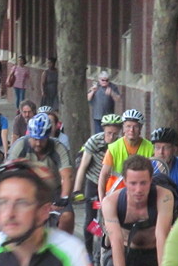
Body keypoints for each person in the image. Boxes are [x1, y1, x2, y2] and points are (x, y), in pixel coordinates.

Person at [8, 113, 75, 233]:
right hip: (27, 189)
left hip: (54, 190)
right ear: (29, 135)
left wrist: (64, 197)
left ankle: (63, 246)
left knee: (67, 217)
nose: (38, 144)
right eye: (35, 139)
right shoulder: (20, 146)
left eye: (42, 140)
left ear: (48, 136)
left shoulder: (58, 147)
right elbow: (9, 173)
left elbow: (67, 175)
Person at [73, 114, 123, 255]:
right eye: (108, 133)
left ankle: (109, 249)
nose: (111, 137)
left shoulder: (120, 143)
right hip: (93, 181)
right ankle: (88, 252)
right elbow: (83, 167)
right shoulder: (94, 141)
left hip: (111, 184)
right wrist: (77, 190)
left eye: (115, 133)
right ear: (103, 130)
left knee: (112, 218)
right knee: (90, 219)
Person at [98, 109, 153, 200]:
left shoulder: (150, 148)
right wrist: (102, 199)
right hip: (116, 194)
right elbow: (103, 175)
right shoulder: (114, 148)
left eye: (135, 127)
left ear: (140, 128)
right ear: (123, 128)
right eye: (128, 126)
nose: (131, 130)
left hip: (140, 195)